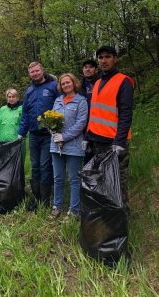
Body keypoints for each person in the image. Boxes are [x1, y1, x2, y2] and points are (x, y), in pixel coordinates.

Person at [84, 46, 134, 212]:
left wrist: (120, 141)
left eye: (107, 57)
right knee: (103, 181)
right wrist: (87, 136)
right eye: (101, 57)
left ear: (115, 59)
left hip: (114, 143)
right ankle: (108, 216)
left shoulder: (123, 81)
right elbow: (95, 112)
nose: (104, 61)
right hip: (98, 140)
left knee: (118, 182)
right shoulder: (98, 82)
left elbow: (126, 114)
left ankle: (122, 220)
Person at [18, 62, 59, 210]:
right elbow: (25, 114)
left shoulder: (53, 86)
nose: (34, 74)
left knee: (45, 165)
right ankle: (37, 199)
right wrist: (21, 133)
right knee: (35, 166)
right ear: (29, 75)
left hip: (48, 135)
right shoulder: (29, 91)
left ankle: (46, 201)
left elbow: (61, 106)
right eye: (32, 72)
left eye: (37, 71)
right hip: (33, 135)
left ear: (42, 71)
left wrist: (58, 128)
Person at [49, 73, 88, 218]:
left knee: (74, 179)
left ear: (74, 83)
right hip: (56, 146)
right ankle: (57, 206)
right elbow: (51, 118)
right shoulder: (58, 100)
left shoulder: (81, 101)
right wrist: (53, 132)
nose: (66, 85)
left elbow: (81, 124)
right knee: (58, 178)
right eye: (63, 83)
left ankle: (74, 211)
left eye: (68, 82)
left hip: (74, 147)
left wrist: (64, 137)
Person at [0, 88, 26, 161]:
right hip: (3, 142)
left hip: (16, 142)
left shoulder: (21, 109)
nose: (11, 99)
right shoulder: (3, 109)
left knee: (16, 165)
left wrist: (22, 135)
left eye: (13, 97)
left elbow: (24, 124)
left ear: (17, 98)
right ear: (7, 98)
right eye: (9, 97)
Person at [79, 59, 99, 164]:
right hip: (83, 123)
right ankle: (88, 178)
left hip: (98, 123)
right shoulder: (79, 86)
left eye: (90, 67)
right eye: (85, 67)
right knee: (87, 155)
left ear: (96, 70)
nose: (88, 69)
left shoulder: (101, 83)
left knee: (99, 155)